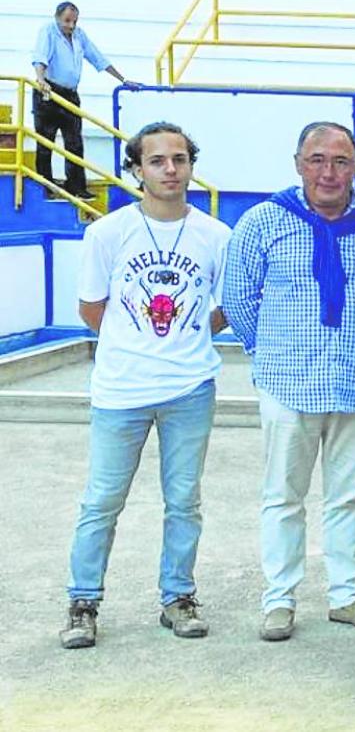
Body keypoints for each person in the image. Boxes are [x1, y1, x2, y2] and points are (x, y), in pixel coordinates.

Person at [223, 121, 355, 642]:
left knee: (349, 495)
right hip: (288, 383)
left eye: (341, 161)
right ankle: (279, 599)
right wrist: (271, 353)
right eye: (317, 160)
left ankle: (345, 595)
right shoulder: (264, 222)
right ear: (298, 163)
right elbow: (238, 298)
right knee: (283, 495)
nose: (329, 172)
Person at [60, 122, 230, 649]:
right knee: (102, 500)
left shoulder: (215, 236)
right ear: (136, 168)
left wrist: (178, 344)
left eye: (180, 159)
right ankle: (83, 601)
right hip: (121, 390)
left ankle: (178, 597)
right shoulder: (107, 233)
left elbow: (218, 311)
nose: (170, 170)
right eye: (157, 161)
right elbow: (92, 308)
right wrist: (134, 346)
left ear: (191, 165)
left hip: (190, 387)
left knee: (183, 500)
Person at [31, 1, 138, 200]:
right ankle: (44, 186)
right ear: (57, 18)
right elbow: (40, 57)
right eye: (67, 21)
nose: (71, 26)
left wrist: (122, 79)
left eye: (74, 21)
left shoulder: (79, 35)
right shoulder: (48, 31)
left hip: (70, 93)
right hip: (49, 92)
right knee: (46, 142)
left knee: (75, 143)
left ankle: (76, 187)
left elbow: (97, 57)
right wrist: (41, 79)